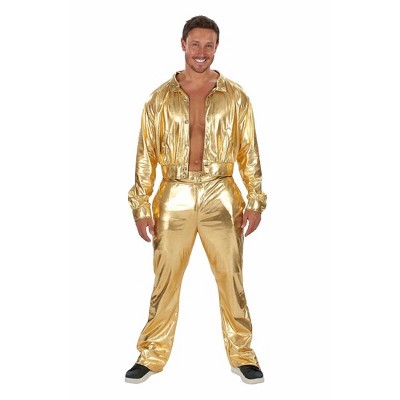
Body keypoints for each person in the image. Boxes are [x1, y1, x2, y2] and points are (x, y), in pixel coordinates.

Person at [125, 15, 267, 385]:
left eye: (208, 45)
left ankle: (242, 353)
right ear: (183, 45)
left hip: (222, 191)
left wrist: (255, 200)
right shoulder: (159, 99)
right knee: (165, 277)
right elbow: (145, 155)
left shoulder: (236, 96)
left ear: (216, 48)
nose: (201, 52)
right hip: (174, 192)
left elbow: (249, 152)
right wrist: (141, 205)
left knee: (231, 277)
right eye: (195, 44)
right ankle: (151, 354)